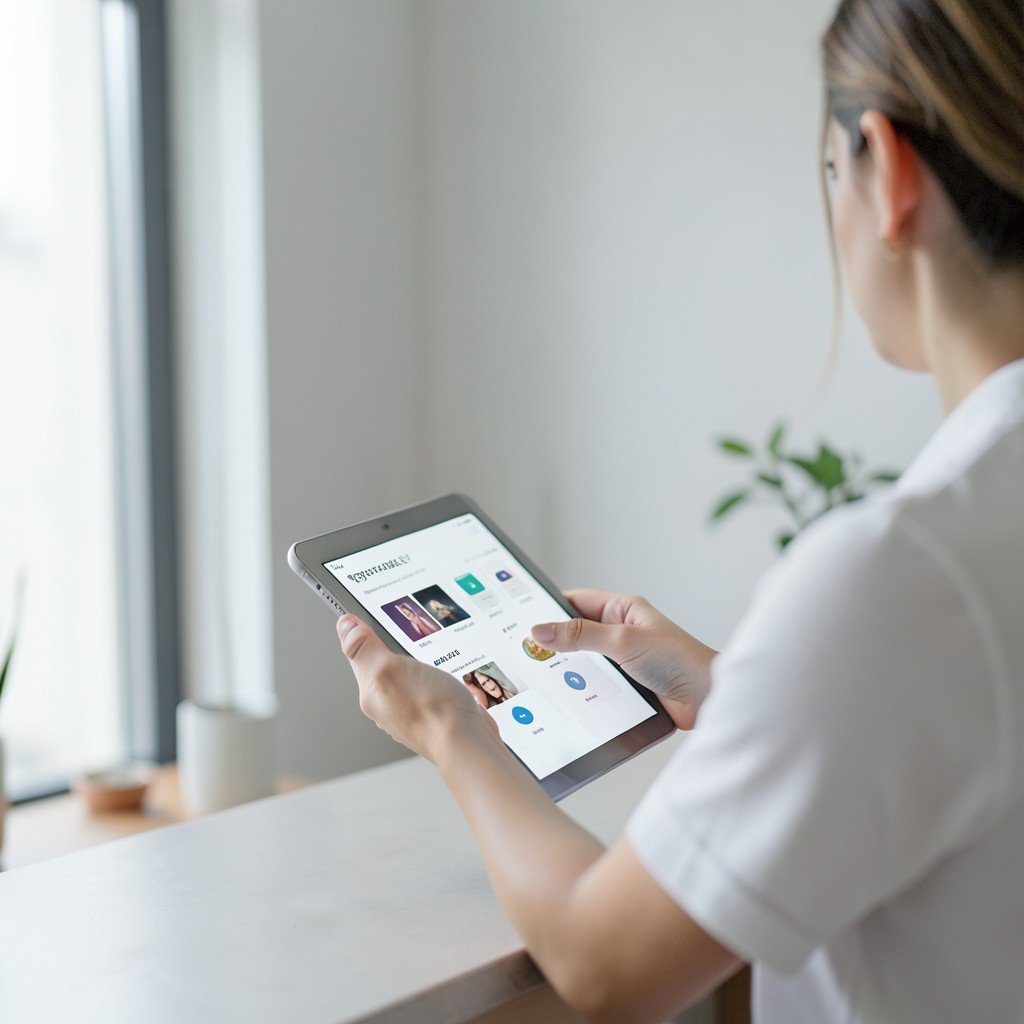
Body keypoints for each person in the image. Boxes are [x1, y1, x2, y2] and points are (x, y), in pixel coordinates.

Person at [335, 2, 1024, 1020]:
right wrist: (738, 687)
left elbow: (606, 967)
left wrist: (451, 729)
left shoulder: (905, 572)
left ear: (888, 169)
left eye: (831, 170)